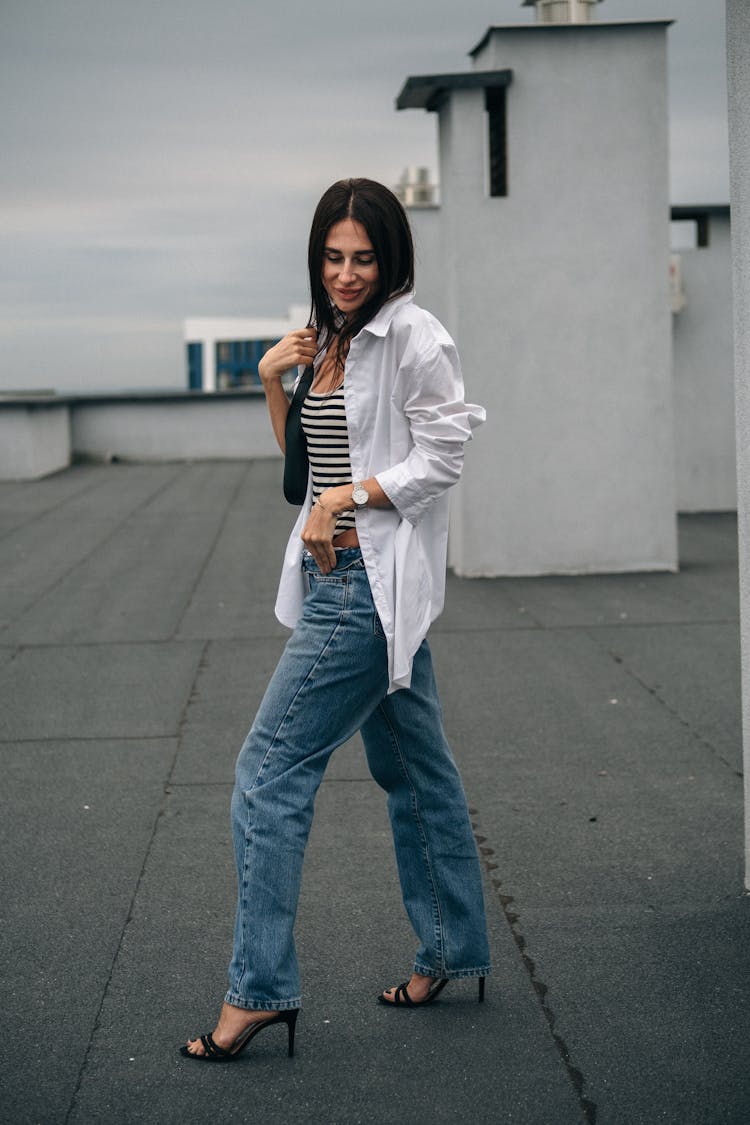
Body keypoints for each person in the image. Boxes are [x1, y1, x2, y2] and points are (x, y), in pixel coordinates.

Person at [181, 178, 491, 1062]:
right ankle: (451, 947)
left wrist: (350, 497)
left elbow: (444, 455)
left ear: (391, 258)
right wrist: (275, 380)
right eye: (333, 256)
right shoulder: (333, 341)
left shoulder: (415, 337)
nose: (348, 273)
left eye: (363, 257)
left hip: (365, 585)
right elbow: (304, 471)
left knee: (267, 774)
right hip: (341, 581)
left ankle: (258, 992)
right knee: (414, 770)